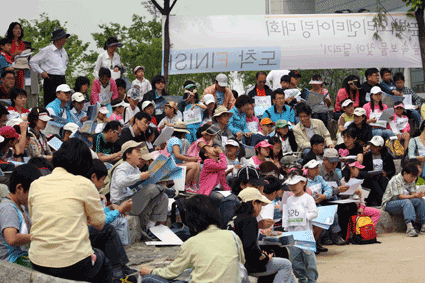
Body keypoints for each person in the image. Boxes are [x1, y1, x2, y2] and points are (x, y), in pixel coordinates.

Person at [28, 138, 112, 282]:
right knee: (102, 260)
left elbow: (35, 217)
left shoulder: (36, 184)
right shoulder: (84, 184)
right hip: (72, 263)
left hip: (38, 260)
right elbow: (99, 224)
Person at [140, 195, 242, 283]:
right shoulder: (233, 236)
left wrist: (151, 271)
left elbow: (171, 272)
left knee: (148, 279)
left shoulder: (191, 243)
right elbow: (241, 261)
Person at [227, 188, 296, 283]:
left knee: (290, 275)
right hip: (248, 264)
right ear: (254, 203)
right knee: (286, 264)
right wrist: (265, 257)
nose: (261, 208)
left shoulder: (234, 218)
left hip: (235, 262)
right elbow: (250, 248)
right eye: (260, 205)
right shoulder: (250, 219)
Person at [89, 159, 138, 282]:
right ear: (93, 177)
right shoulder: (88, 192)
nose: (104, 183)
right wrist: (119, 210)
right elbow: (100, 221)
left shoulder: (92, 192)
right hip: (82, 231)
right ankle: (117, 267)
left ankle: (120, 265)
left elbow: (97, 214)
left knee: (116, 224)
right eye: (102, 180)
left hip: (87, 227)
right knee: (108, 230)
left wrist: (110, 208)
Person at [110, 141, 168, 230]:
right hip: (122, 204)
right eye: (137, 151)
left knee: (163, 197)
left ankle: (151, 227)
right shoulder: (122, 168)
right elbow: (120, 182)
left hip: (133, 199)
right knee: (152, 188)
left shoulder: (135, 169)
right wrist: (140, 176)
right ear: (128, 154)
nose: (140, 154)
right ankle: (164, 189)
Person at [0, 164, 41, 268]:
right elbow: (12, 239)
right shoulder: (8, 208)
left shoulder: (21, 207)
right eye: (32, 192)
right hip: (10, 261)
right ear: (19, 188)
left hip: (23, 256)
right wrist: (39, 236)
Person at [283, 169, 318, 283]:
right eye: (290, 185)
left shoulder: (308, 198)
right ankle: (301, 279)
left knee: (309, 259)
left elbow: (314, 213)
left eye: (295, 184)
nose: (292, 187)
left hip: (305, 233)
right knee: (295, 260)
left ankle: (312, 280)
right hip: (293, 235)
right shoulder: (289, 199)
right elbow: (287, 215)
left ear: (303, 183)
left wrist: (304, 216)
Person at [382, 163, 425, 237]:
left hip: (403, 202)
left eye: (415, 177)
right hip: (389, 203)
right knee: (406, 202)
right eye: (412, 176)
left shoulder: (412, 180)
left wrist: (418, 195)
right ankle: (410, 227)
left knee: (419, 200)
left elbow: (413, 194)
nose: (413, 179)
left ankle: (423, 225)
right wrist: (414, 195)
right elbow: (401, 196)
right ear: (405, 173)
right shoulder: (395, 179)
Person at [29, 28, 69, 107]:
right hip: (51, 78)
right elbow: (33, 61)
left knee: (63, 101)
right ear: (58, 40)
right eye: (63, 38)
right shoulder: (47, 50)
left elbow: (65, 63)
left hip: (61, 77)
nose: (65, 40)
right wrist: (41, 72)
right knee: (50, 101)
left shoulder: (63, 51)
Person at [340, 161, 381, 227]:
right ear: (351, 168)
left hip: (359, 207)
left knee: (377, 212)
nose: (359, 171)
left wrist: (362, 207)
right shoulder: (342, 181)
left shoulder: (357, 181)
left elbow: (362, 197)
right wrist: (353, 191)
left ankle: (367, 231)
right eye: (358, 169)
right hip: (349, 207)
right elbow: (342, 195)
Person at [167, 122, 200, 192]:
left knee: (197, 165)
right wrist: (190, 159)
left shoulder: (175, 139)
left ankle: (193, 185)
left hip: (175, 163)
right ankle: (187, 185)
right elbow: (177, 155)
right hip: (173, 165)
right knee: (193, 165)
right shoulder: (175, 140)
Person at [362, 136, 394, 206]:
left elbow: (392, 170)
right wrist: (369, 173)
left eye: (374, 146)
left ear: (380, 147)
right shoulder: (367, 156)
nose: (371, 147)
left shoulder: (387, 156)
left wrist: (386, 173)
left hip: (382, 177)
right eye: (371, 145)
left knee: (383, 180)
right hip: (369, 178)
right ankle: (382, 200)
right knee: (374, 181)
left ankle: (384, 199)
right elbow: (362, 171)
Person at [5, 22, 25, 88]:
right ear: (11, 30)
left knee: (18, 90)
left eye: (20, 29)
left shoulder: (22, 43)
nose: (18, 30)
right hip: (10, 69)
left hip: (20, 69)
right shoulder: (7, 42)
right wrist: (14, 54)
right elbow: (3, 55)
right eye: (16, 28)